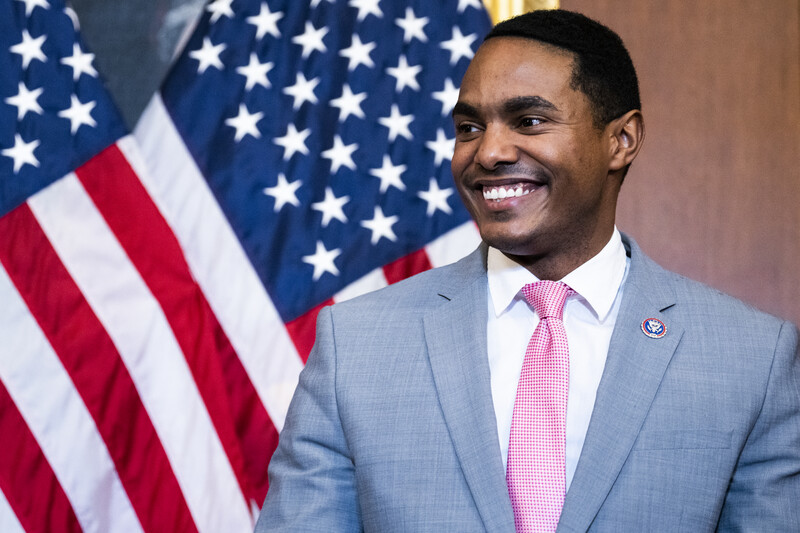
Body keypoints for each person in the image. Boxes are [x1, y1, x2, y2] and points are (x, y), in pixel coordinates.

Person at [255, 9, 800, 532]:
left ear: (622, 140)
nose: (488, 152)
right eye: (469, 127)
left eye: (529, 120)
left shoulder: (753, 358)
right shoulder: (356, 344)